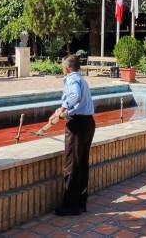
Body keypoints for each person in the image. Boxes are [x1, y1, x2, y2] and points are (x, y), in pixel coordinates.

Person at [53, 55, 95, 216]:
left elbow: (74, 96)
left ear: (66, 68)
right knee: (82, 164)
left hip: (77, 126)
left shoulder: (71, 79)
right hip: (88, 123)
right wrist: (62, 110)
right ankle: (81, 202)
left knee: (71, 165)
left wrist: (63, 107)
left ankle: (71, 206)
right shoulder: (83, 80)